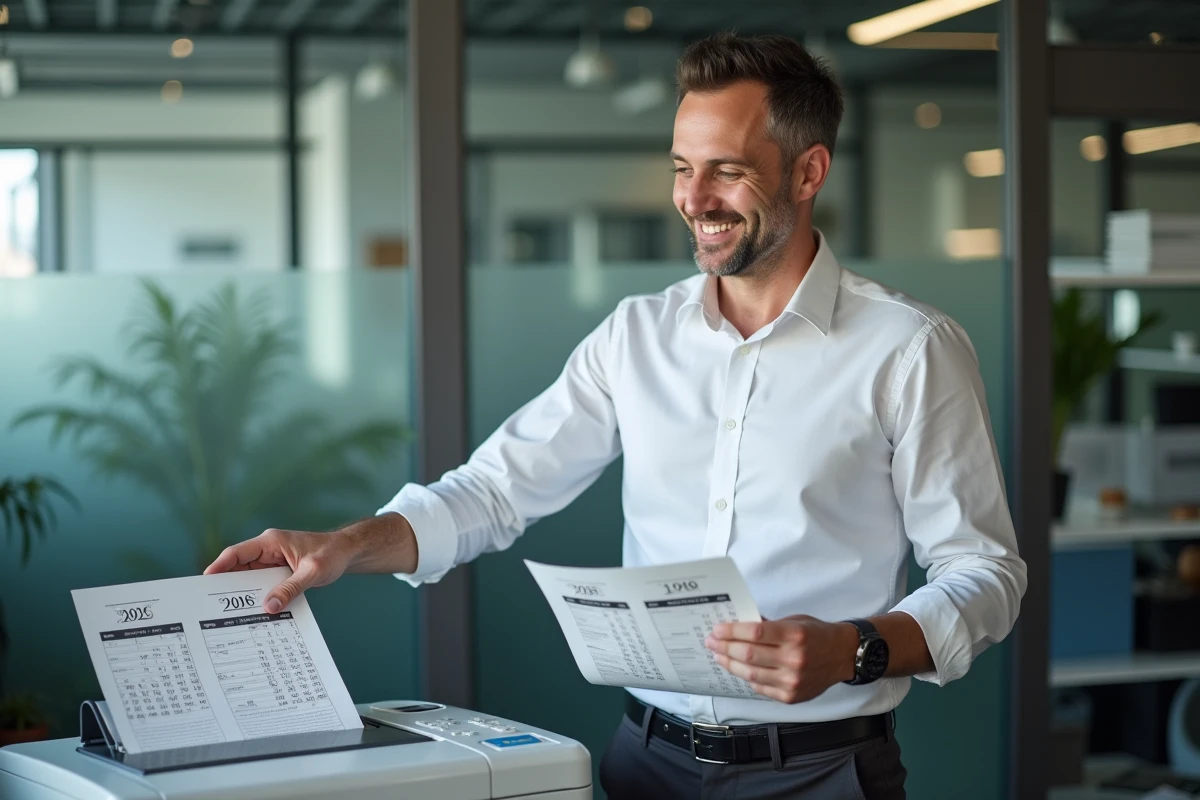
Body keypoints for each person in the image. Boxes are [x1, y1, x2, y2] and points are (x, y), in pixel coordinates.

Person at [206, 32, 1027, 799]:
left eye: (726, 171)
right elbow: (493, 492)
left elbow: (985, 575)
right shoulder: (636, 335)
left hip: (821, 771)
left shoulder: (910, 348)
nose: (693, 198)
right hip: (646, 764)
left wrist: (856, 648)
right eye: (681, 167)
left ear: (808, 172)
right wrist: (341, 546)